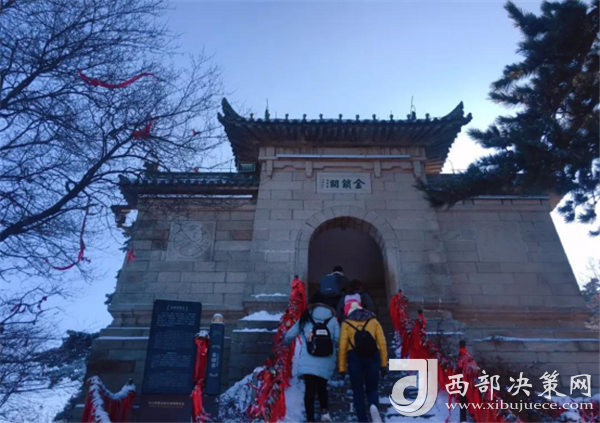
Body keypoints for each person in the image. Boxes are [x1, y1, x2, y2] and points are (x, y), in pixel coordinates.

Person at [284, 299, 340, 423]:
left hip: (309, 357)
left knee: (310, 388)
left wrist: (285, 342)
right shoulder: (332, 320)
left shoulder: (306, 317)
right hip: (326, 358)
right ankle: (324, 411)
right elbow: (338, 339)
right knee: (322, 386)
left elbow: (290, 335)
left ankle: (310, 419)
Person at [338, 302, 388, 423]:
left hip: (354, 357)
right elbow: (382, 343)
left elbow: (342, 347)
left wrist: (342, 368)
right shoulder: (373, 321)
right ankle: (373, 407)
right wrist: (384, 364)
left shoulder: (346, 323)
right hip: (373, 356)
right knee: (372, 389)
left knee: (357, 391)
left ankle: (363, 419)